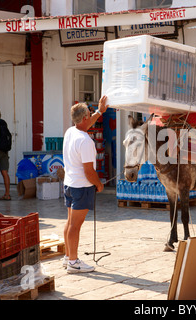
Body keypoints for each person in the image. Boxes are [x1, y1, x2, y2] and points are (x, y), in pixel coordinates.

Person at [63, 95, 108, 273]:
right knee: (75, 226)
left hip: (70, 184)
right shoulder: (86, 141)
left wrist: (99, 111)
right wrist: (99, 184)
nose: (91, 118)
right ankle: (73, 263)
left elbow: (87, 123)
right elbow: (89, 172)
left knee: (70, 223)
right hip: (82, 187)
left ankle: (68, 257)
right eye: (89, 115)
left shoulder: (70, 132)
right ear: (83, 118)